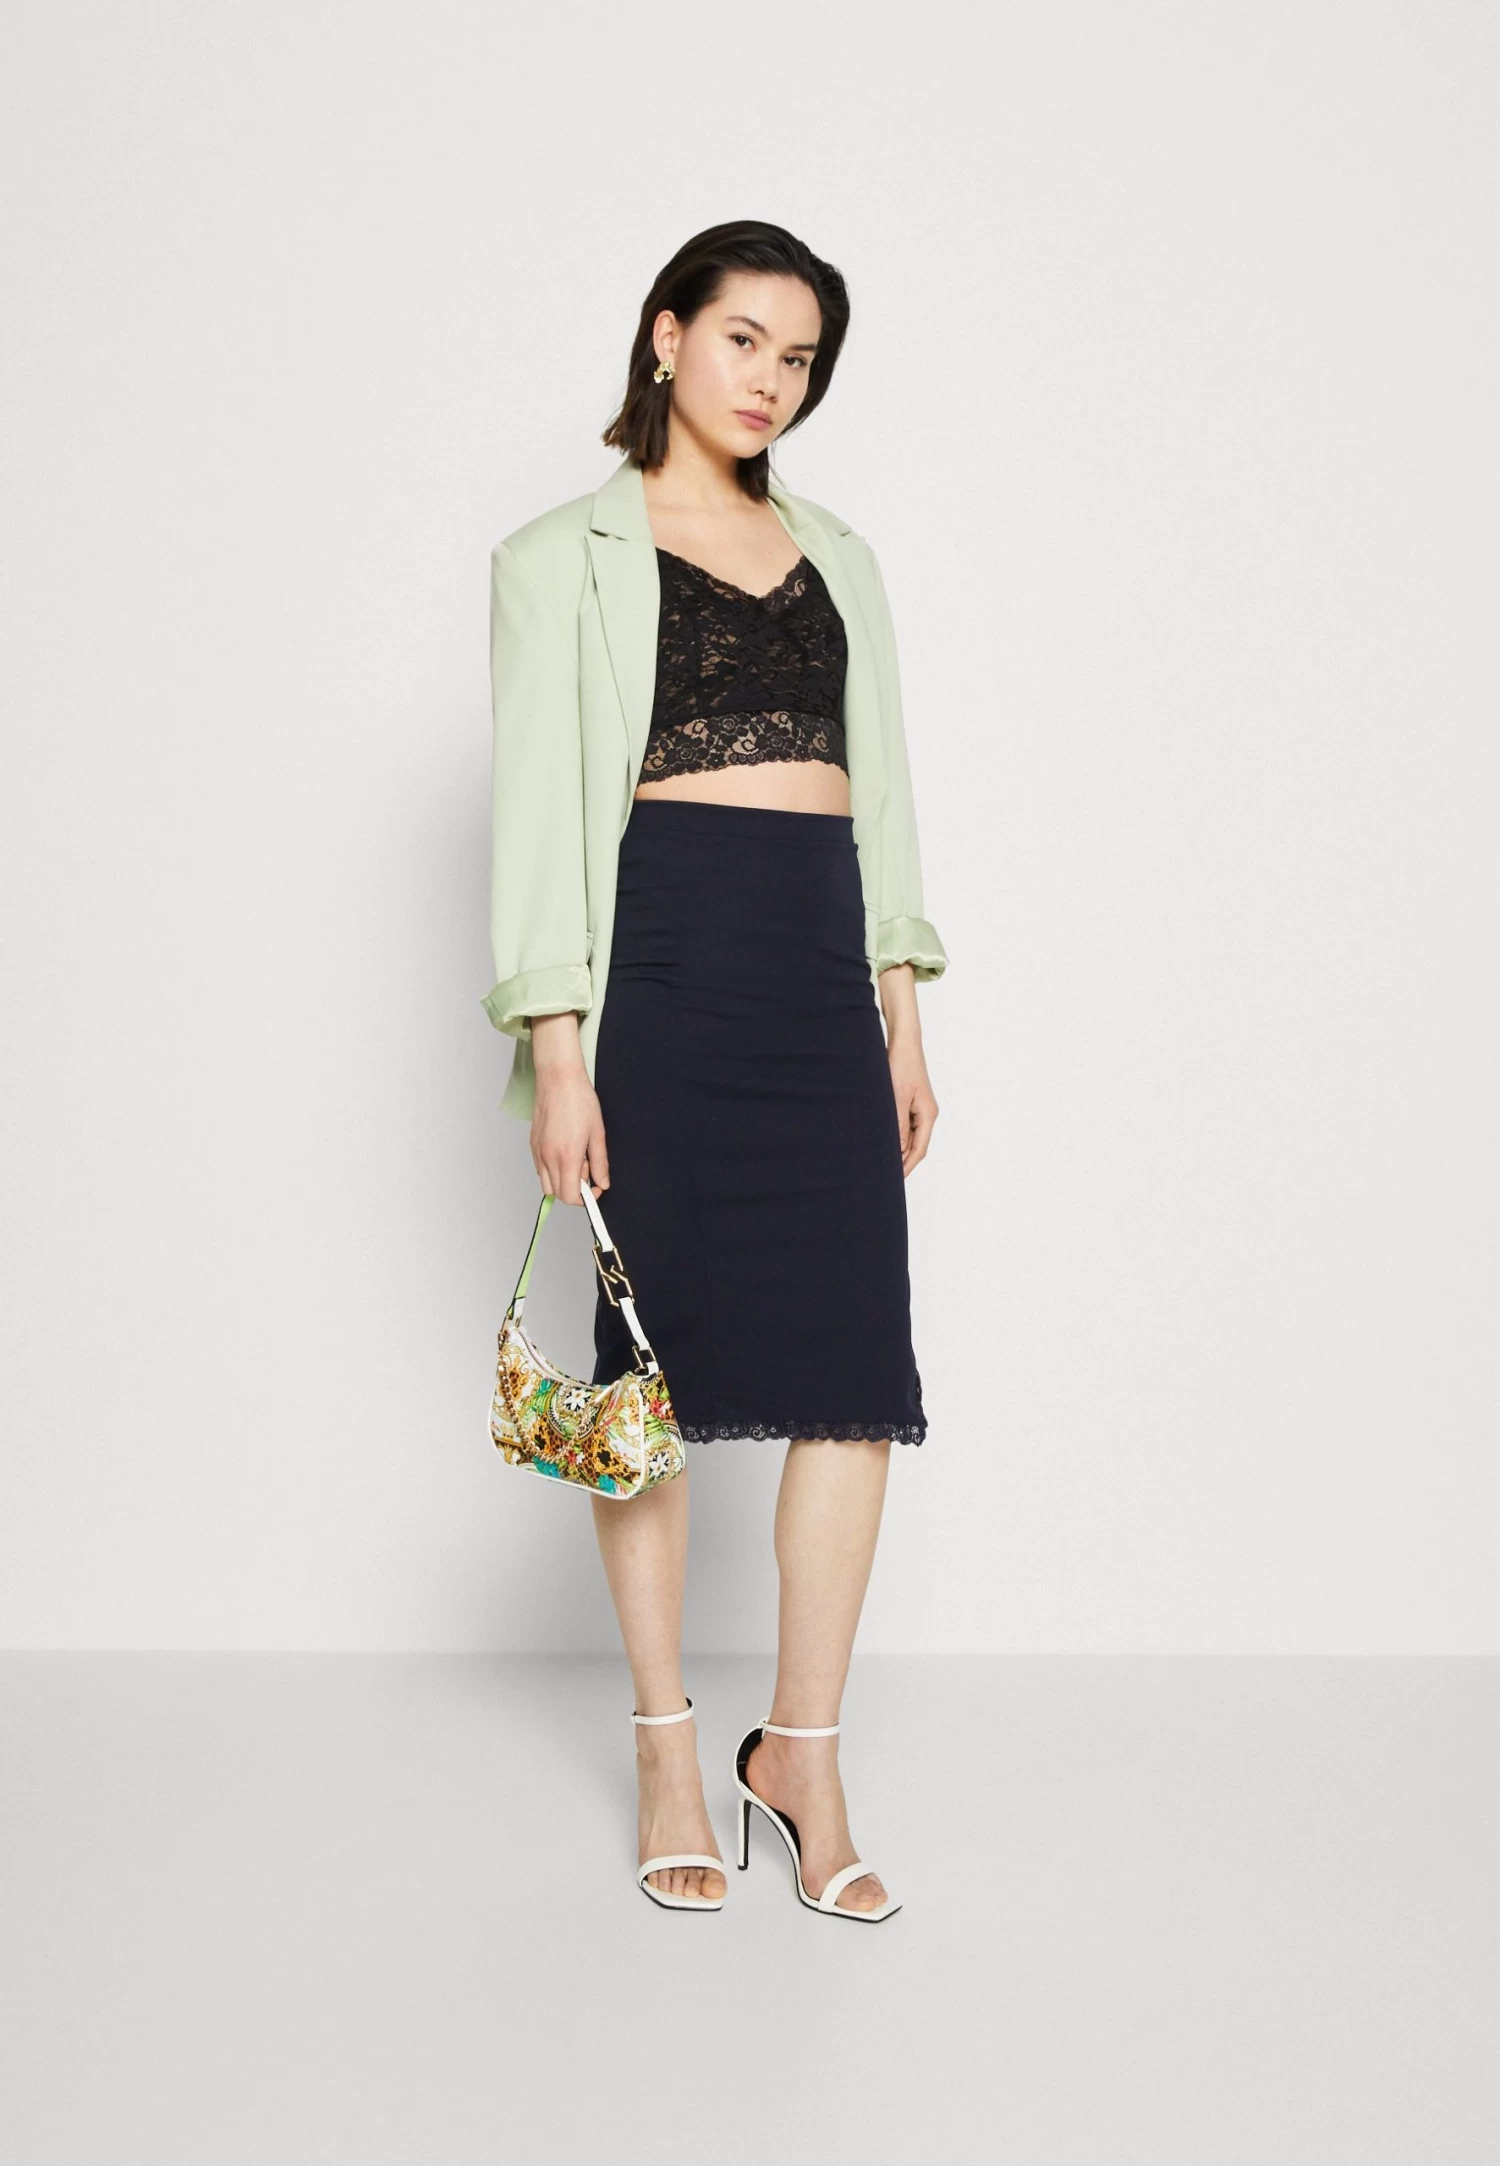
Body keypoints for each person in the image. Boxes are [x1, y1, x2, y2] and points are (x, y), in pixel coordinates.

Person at [482, 220, 947, 1920]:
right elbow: (542, 817)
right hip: (664, 975)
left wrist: (903, 1009)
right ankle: (669, 1742)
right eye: (745, 338)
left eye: (800, 357)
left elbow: (881, 791)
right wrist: (558, 1050)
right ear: (668, 335)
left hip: (821, 975)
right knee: (649, 1383)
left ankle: (802, 1753)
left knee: (855, 1379)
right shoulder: (560, 556)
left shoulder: (841, 555)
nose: (772, 379)